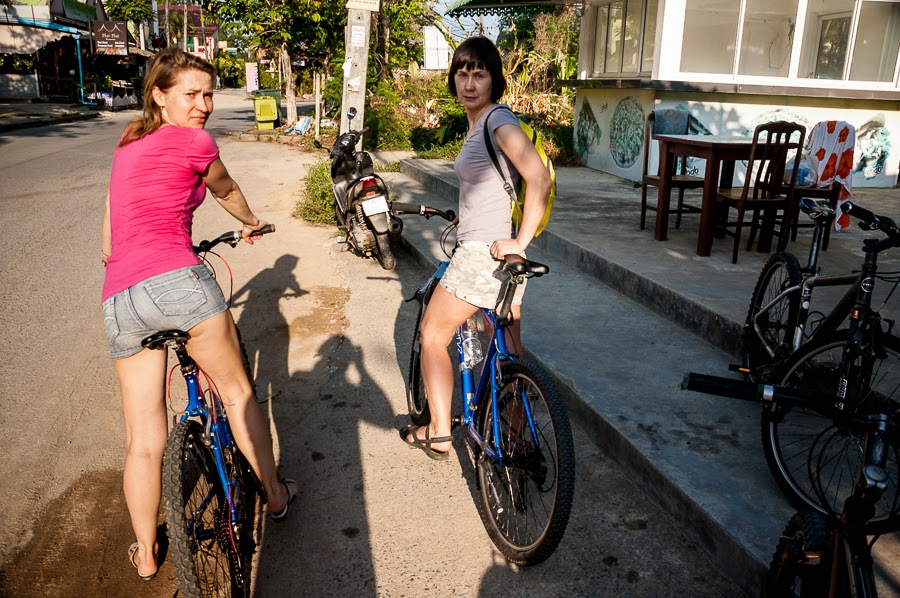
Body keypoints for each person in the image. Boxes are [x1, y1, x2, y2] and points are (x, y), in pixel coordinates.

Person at [100, 47, 297, 581]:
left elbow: (110, 229)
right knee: (236, 392)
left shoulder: (127, 144)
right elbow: (225, 188)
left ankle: (145, 552)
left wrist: (122, 265)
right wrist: (252, 222)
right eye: (191, 94)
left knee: (144, 440)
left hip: (119, 298)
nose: (204, 105)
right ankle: (276, 496)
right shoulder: (195, 142)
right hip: (177, 283)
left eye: (208, 93)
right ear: (158, 95)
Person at [400, 36, 551, 460]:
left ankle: (438, 432)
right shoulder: (481, 122)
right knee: (508, 349)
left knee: (433, 333)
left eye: (479, 74)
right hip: (500, 252)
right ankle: (520, 439)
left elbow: (538, 178)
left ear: (494, 80)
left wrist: (521, 239)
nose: (469, 82)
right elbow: (497, 185)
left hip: (486, 254)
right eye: (462, 73)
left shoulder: (497, 119)